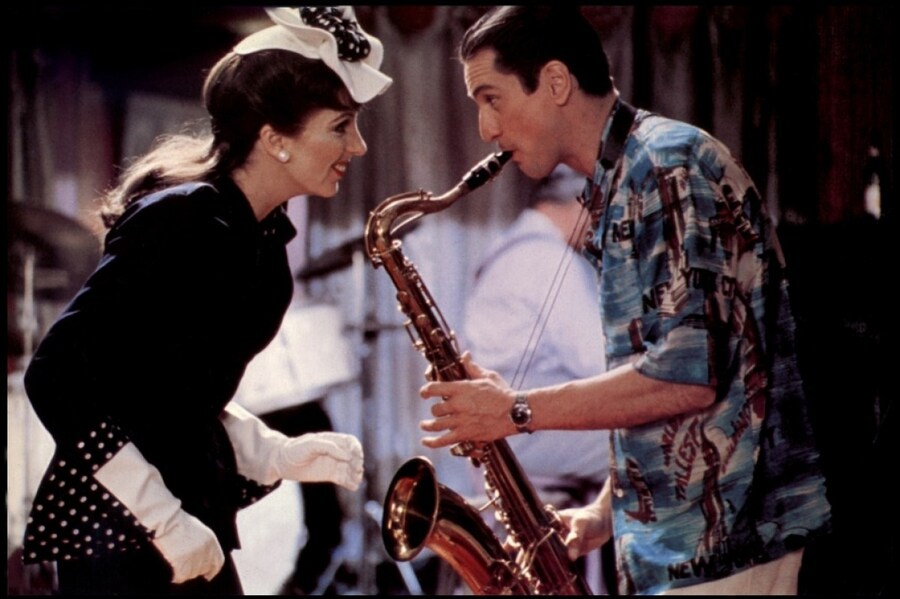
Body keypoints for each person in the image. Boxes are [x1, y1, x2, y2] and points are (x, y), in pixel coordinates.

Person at [418, 6, 831, 595]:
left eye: (492, 99)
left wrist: (515, 410)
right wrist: (602, 516)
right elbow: (660, 383)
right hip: (686, 543)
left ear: (555, 82)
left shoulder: (667, 166)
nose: (486, 129)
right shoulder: (625, 178)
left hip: (727, 543)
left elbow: (687, 378)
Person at [19, 7, 390, 595]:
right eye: (341, 127)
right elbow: (56, 375)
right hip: (122, 529)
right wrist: (162, 519)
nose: (359, 146)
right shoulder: (183, 218)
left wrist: (273, 452)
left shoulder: (263, 240)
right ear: (275, 139)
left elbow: (167, 393)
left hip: (187, 519)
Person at [461, 164, 613, 592]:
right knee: (650, 440)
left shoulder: (513, 247)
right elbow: (598, 364)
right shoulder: (546, 258)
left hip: (513, 430)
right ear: (586, 206)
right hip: (525, 434)